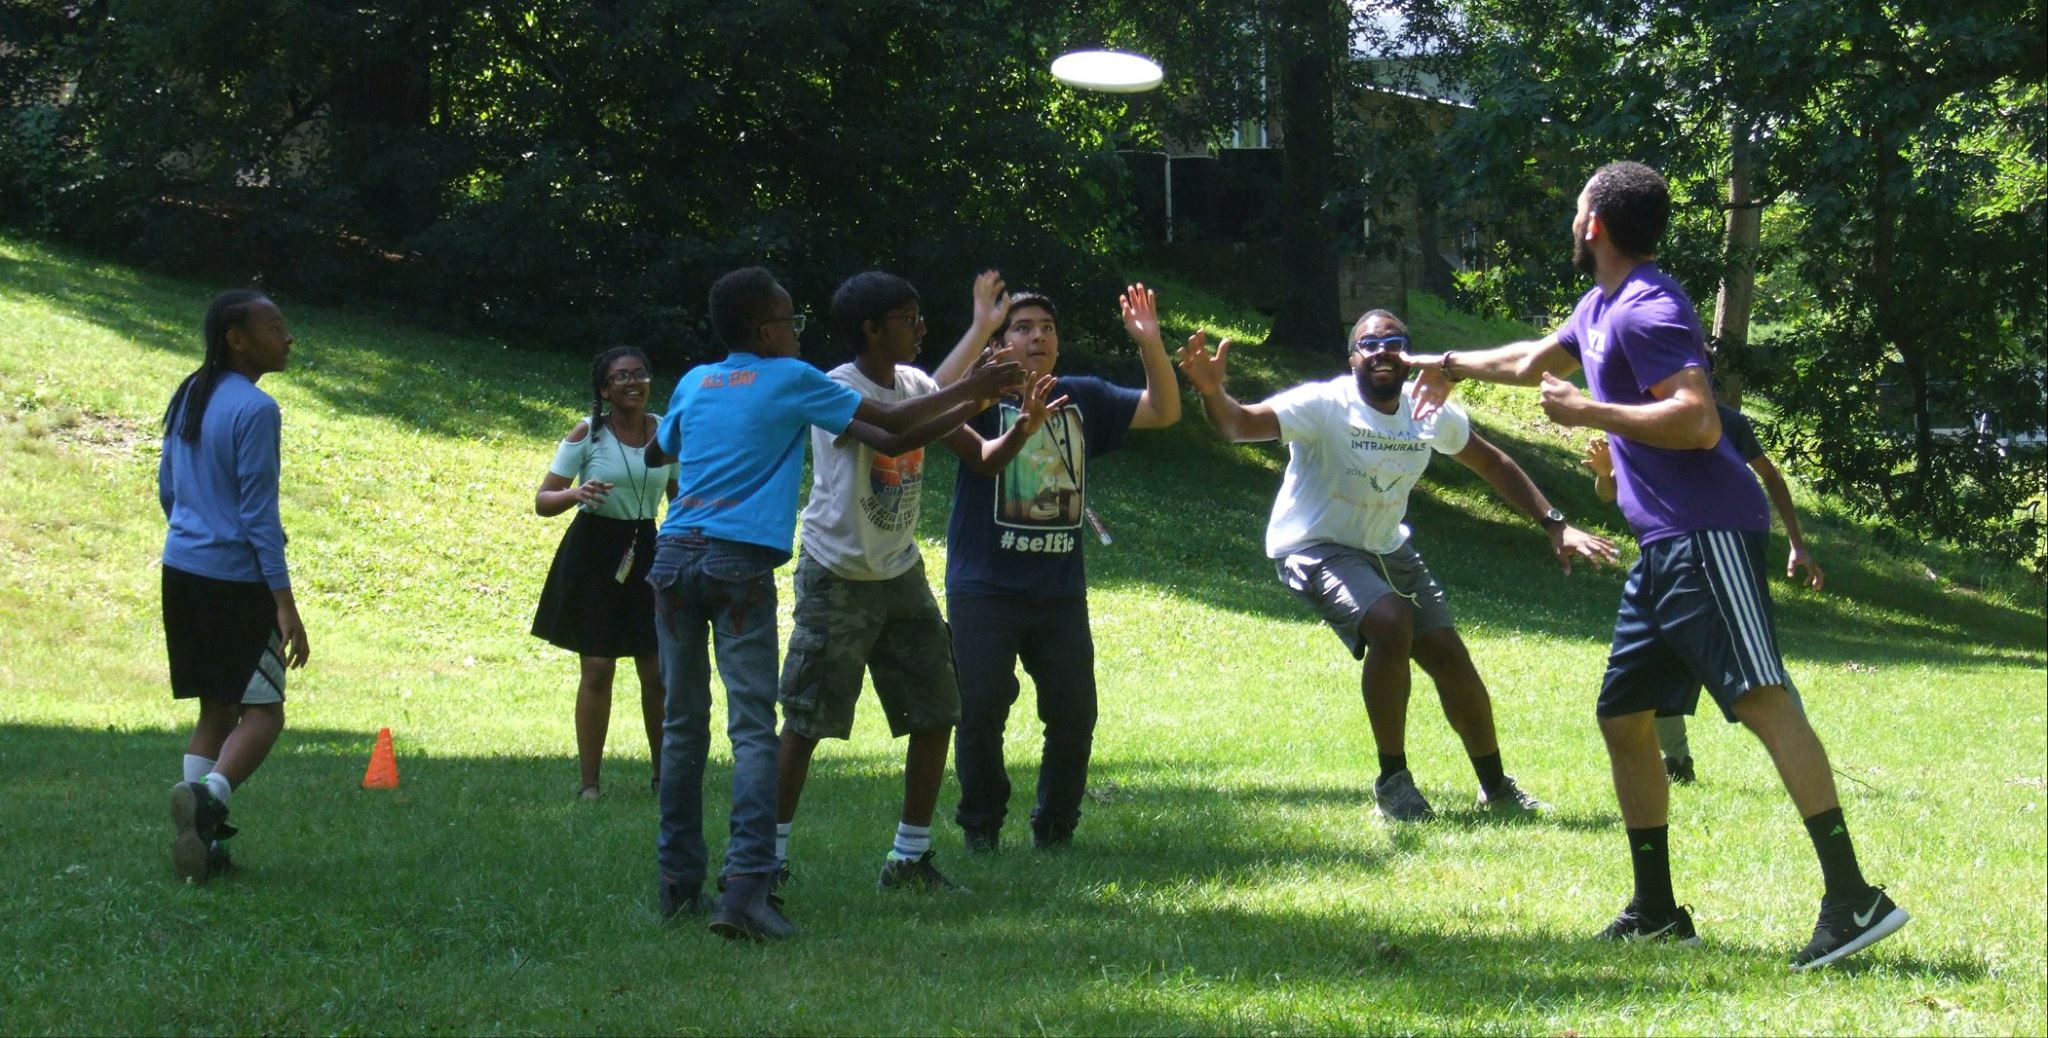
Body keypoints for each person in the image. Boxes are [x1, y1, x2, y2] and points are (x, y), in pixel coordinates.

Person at [1402, 161, 1907, 968]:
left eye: (1575, 211)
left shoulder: (1650, 309)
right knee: (1624, 717)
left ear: (1594, 223)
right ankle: (1657, 907)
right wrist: (1451, 362)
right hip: (1663, 545)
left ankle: (1853, 898)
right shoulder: (1599, 306)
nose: (1572, 223)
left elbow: (1699, 422)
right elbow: (1535, 361)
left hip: (1706, 535)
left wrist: (1588, 413)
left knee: (1765, 701)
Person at [650, 266, 1022, 940]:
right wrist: (976, 386)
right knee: (769, 726)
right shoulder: (805, 381)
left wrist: (997, 410)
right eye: (789, 320)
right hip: (785, 565)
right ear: (767, 330)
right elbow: (891, 433)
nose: (799, 330)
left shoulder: (697, 381)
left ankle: (685, 883)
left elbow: (659, 447)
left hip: (689, 555)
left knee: (686, 727)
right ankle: (756, 880)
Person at [1177, 309, 1615, 821]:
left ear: (1408, 356)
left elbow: (1491, 461)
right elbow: (1235, 425)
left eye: (1395, 341)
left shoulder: (1427, 409)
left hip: (1385, 546)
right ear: (1352, 357)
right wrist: (1212, 392)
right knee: (1390, 621)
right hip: (1313, 544)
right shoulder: (1323, 404)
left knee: (1449, 655)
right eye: (1370, 343)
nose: (1382, 350)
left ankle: (1496, 788)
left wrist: (1554, 523)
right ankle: (1393, 783)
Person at [775, 270, 1062, 894]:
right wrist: (971, 393)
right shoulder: (834, 387)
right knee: (807, 720)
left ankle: (909, 859)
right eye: (908, 318)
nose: (922, 327)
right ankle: (764, 859)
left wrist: (1017, 424)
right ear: (873, 329)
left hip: (900, 572)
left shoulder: (916, 383)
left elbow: (983, 459)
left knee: (938, 709)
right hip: (838, 571)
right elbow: (891, 431)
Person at [930, 283, 1182, 852]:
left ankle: (1056, 828)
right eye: (1022, 327)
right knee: (981, 709)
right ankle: (981, 828)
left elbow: (1165, 411)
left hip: (1059, 591)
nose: (1037, 335)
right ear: (1000, 341)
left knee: (1073, 715)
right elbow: (930, 396)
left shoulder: (1082, 397)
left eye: (1046, 326)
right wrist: (976, 341)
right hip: (983, 588)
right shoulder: (980, 398)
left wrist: (1150, 343)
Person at [158, 290, 312, 884]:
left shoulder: (189, 392)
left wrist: (196, 528)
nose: (287, 337)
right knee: (265, 713)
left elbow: (169, 488)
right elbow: (258, 516)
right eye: (274, 326)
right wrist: (284, 603)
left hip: (182, 568)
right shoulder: (256, 408)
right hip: (234, 579)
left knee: (216, 708)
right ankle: (210, 796)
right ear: (237, 338)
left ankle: (201, 846)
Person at [1583, 406, 1824, 784]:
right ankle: (1677, 762)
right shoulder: (1628, 416)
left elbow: (1770, 477)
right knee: (1658, 660)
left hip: (1723, 552)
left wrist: (1797, 543)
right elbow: (1610, 492)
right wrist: (1605, 473)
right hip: (1665, 559)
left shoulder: (1726, 421)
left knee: (1756, 660)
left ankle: (1800, 749)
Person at [531, 347, 679, 800]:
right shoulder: (589, 433)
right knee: (597, 668)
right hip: (594, 551)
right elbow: (542, 500)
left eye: (640, 373)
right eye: (621, 377)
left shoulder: (666, 432)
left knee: (656, 671)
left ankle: (663, 779)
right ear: (604, 389)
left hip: (648, 550)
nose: (633, 382)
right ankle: (589, 785)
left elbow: (678, 495)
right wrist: (577, 493)